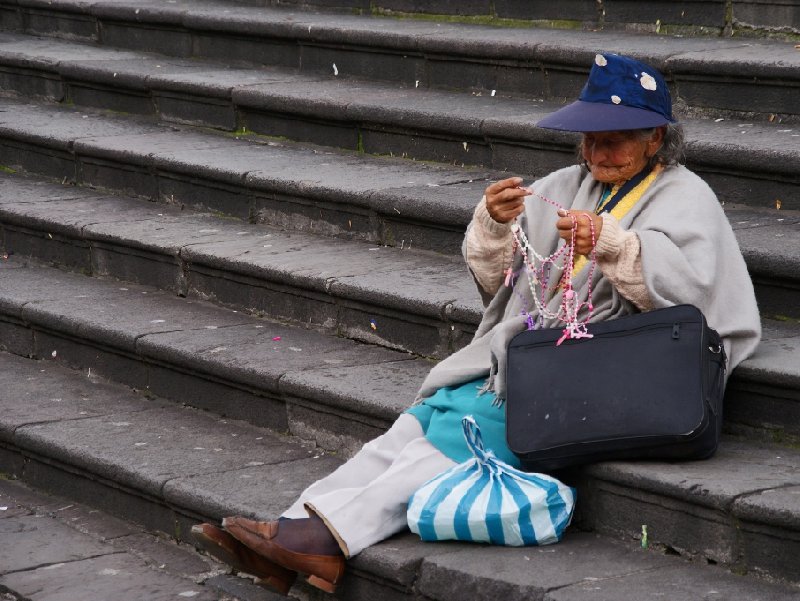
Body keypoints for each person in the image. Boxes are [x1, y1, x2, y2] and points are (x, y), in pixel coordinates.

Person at [191, 53, 762, 595]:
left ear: (655, 138)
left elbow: (693, 297)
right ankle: (293, 527)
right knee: (424, 417)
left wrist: (616, 246)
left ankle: (327, 539)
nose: (597, 152)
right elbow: (502, 283)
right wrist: (492, 224)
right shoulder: (566, 183)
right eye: (589, 139)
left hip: (616, 367)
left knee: (467, 426)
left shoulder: (688, 196)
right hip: (549, 350)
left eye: (612, 141)